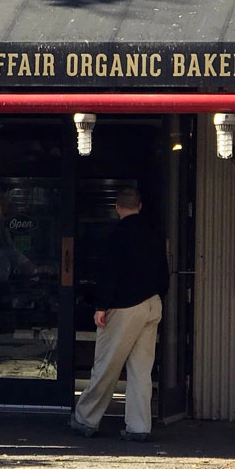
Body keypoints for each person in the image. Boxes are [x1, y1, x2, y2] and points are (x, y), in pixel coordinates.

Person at [68, 186, 170, 442]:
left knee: (106, 365)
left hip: (124, 306)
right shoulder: (154, 234)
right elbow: (163, 271)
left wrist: (101, 306)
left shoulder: (117, 235)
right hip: (152, 303)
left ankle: (85, 419)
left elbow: (109, 273)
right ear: (140, 206)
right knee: (141, 369)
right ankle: (139, 426)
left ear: (117, 207)